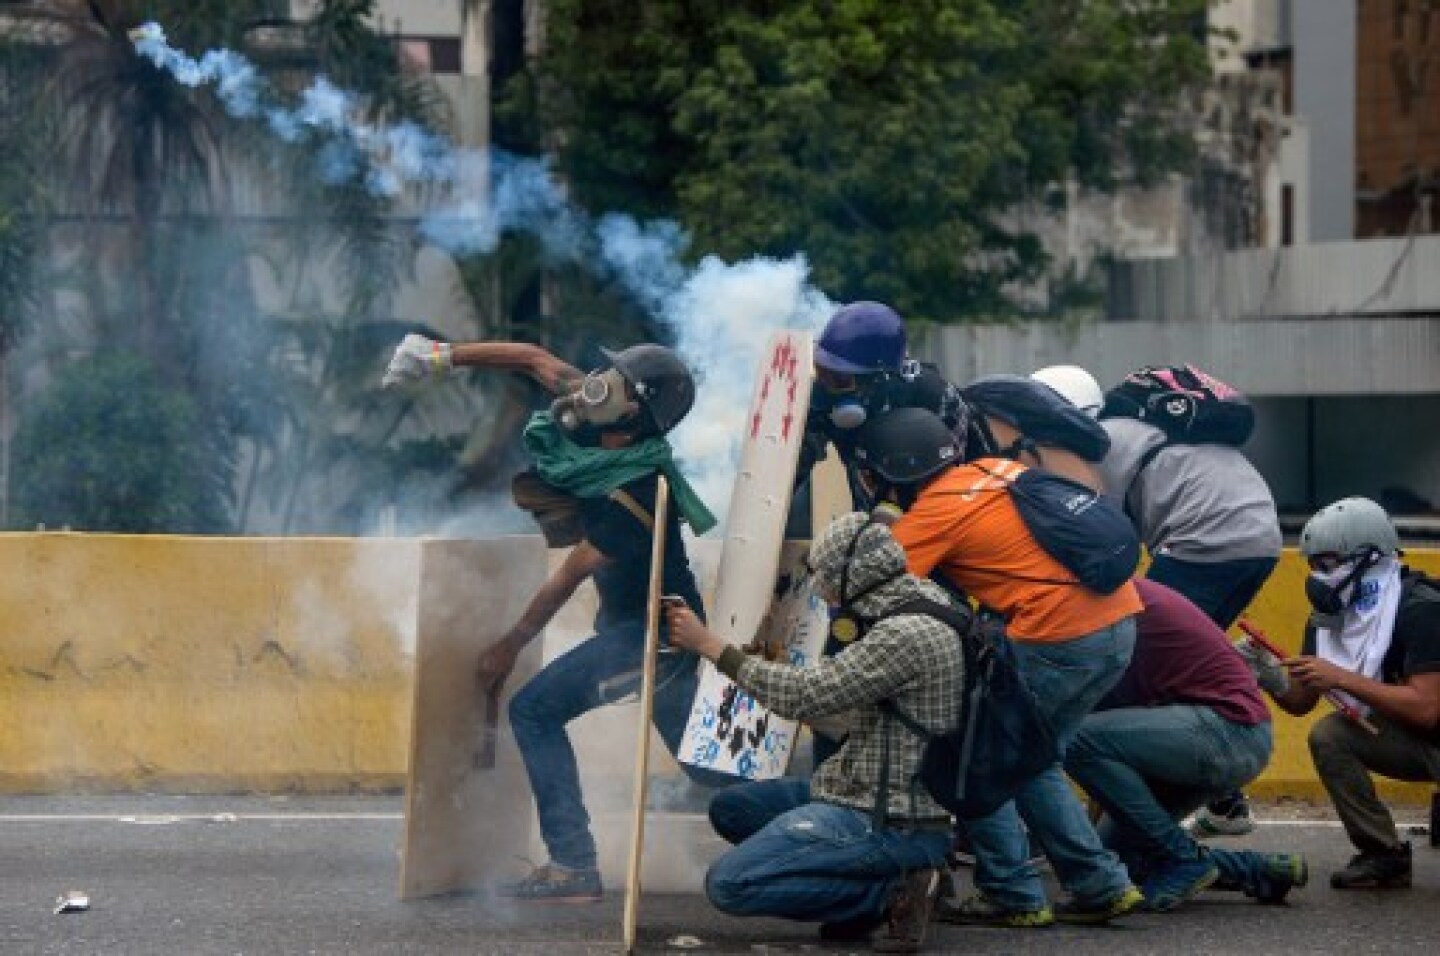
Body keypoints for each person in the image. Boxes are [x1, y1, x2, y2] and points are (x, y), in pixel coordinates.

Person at [382, 333, 731, 903]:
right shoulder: (601, 416)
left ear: (635, 412)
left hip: (652, 642)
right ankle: (807, 815)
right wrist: (439, 357)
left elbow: (568, 577)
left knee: (535, 710)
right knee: (706, 770)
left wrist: (509, 645)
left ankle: (573, 866)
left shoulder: (637, 491)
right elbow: (532, 359)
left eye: (616, 379)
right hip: (638, 632)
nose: (597, 381)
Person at [854, 405, 1144, 928]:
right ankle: (1100, 885)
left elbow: (865, 588)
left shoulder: (933, 514)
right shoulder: (997, 471)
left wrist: (882, 523)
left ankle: (1014, 892)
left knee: (975, 758)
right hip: (1118, 623)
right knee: (1033, 758)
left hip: (1058, 637)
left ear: (889, 474)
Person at [664, 512, 964, 953]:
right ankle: (875, 888)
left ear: (855, 575)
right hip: (863, 784)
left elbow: (806, 697)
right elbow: (842, 697)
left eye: (824, 576)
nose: (819, 587)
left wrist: (709, 645)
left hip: (893, 815)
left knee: (730, 884)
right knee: (732, 809)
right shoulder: (922, 597)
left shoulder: (906, 634)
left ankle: (891, 893)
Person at [1041, 362, 1282, 837]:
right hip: (1260, 536)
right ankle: (1221, 799)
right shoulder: (1139, 430)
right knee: (1187, 658)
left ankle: (1141, 810)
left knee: (1137, 662)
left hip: (1205, 542)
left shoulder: (1097, 444)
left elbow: (1093, 538)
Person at [1065, 578, 1309, 911]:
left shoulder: (1098, 607)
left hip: (1226, 732)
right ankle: (1260, 869)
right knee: (1118, 862)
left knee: (1073, 738)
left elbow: (1080, 739)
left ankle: (1184, 859)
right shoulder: (1105, 592)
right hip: (1214, 737)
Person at [1240, 497, 1440, 890]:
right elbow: (1301, 702)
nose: (1320, 575)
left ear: (1370, 557)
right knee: (1330, 735)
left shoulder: (1421, 608)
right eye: (1315, 564)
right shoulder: (1330, 617)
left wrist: (1342, 678)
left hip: (1431, 728)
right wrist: (1265, 673)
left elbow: (1427, 709)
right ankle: (1382, 854)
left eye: (1329, 563)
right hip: (1420, 740)